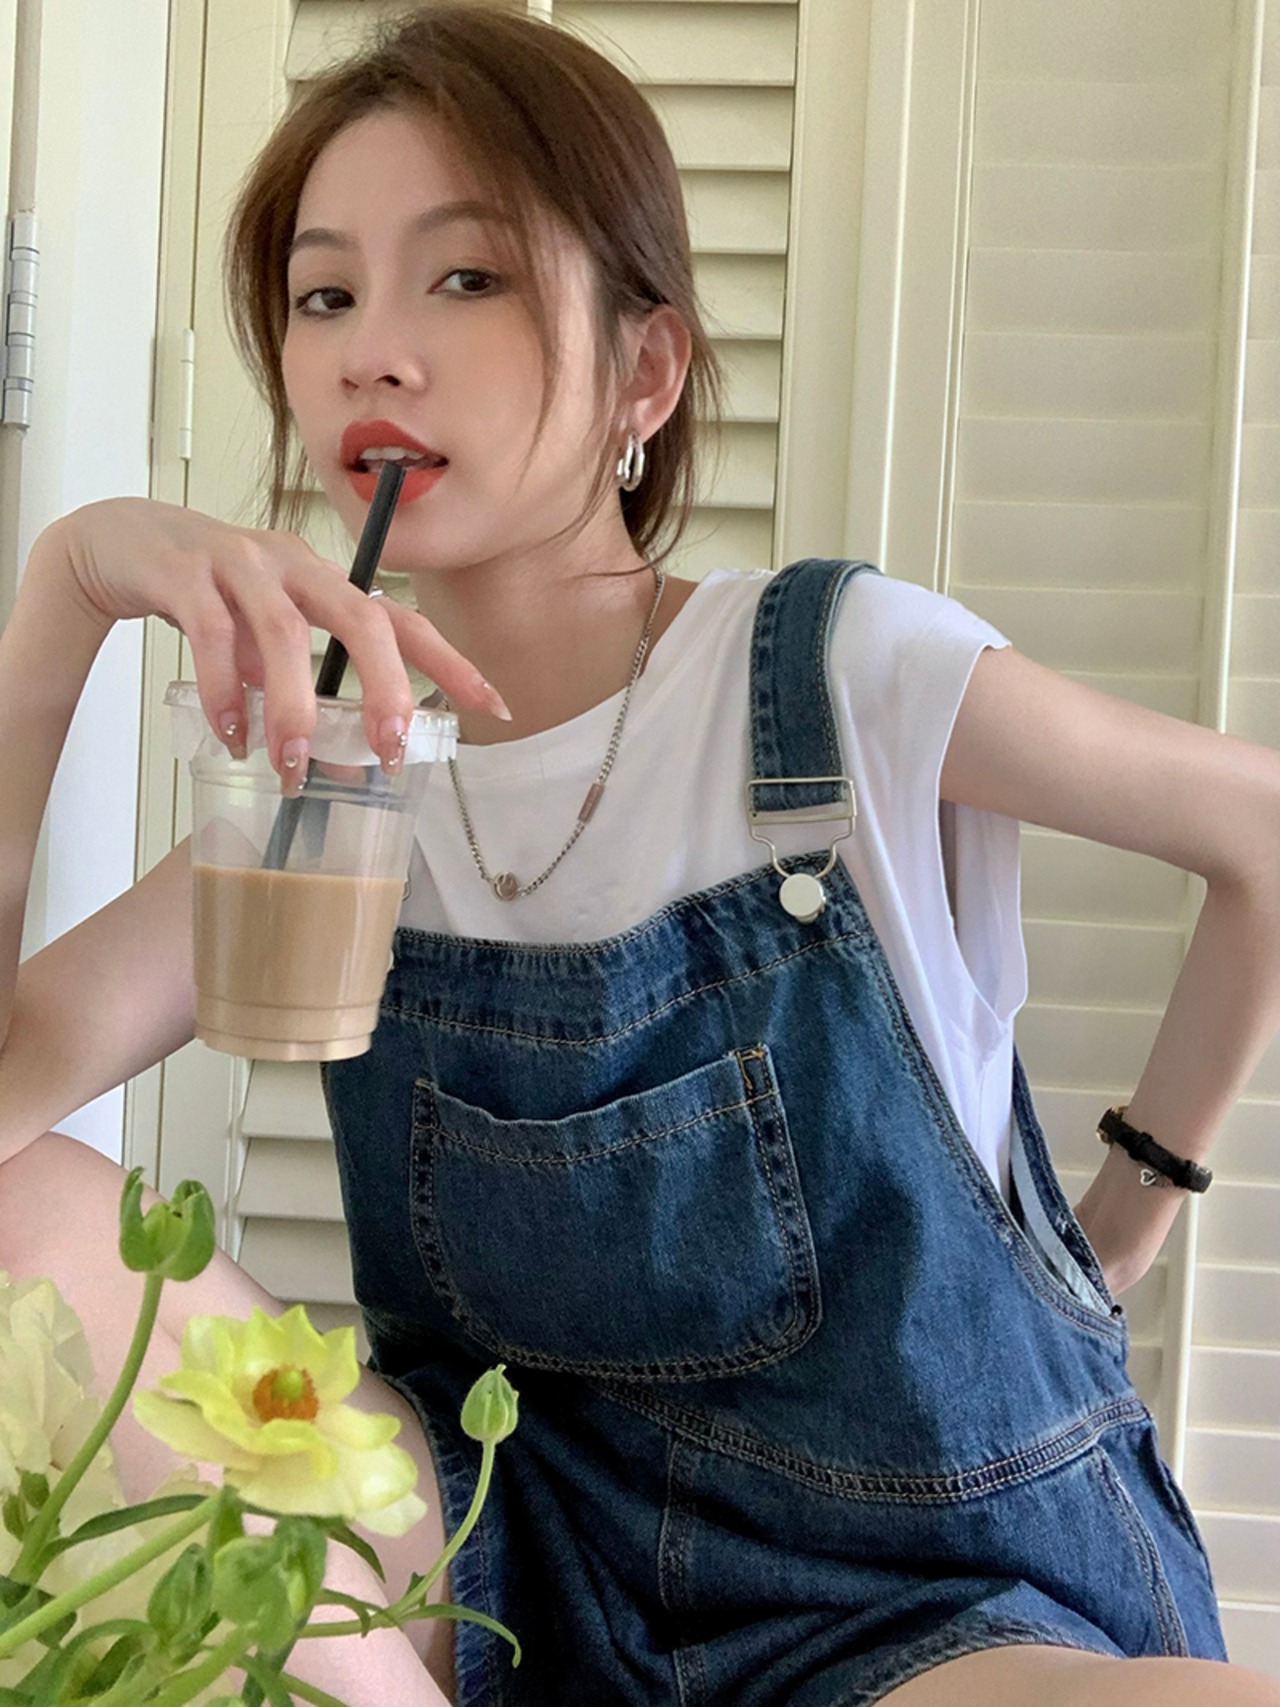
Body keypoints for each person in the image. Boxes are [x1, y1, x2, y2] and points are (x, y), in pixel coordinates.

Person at [1, 6, 1278, 1705]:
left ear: (645, 374)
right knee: (25, 1217)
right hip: (497, 1547)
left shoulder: (831, 674)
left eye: (466, 279)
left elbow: (1263, 829)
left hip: (917, 1600)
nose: (375, 354)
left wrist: (1126, 1214)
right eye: (324, 297)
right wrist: (67, 593)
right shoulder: (342, 789)